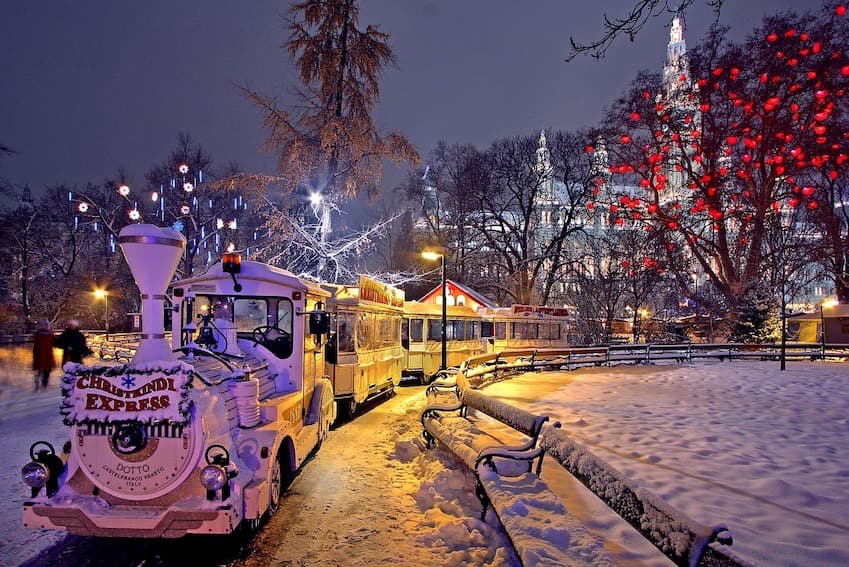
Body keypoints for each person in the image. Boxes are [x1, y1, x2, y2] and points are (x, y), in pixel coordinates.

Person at [31, 320, 56, 389]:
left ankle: (39, 383)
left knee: (40, 369)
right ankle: (43, 384)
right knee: (46, 370)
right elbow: (55, 343)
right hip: (46, 354)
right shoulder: (50, 334)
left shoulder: (37, 334)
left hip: (40, 354)